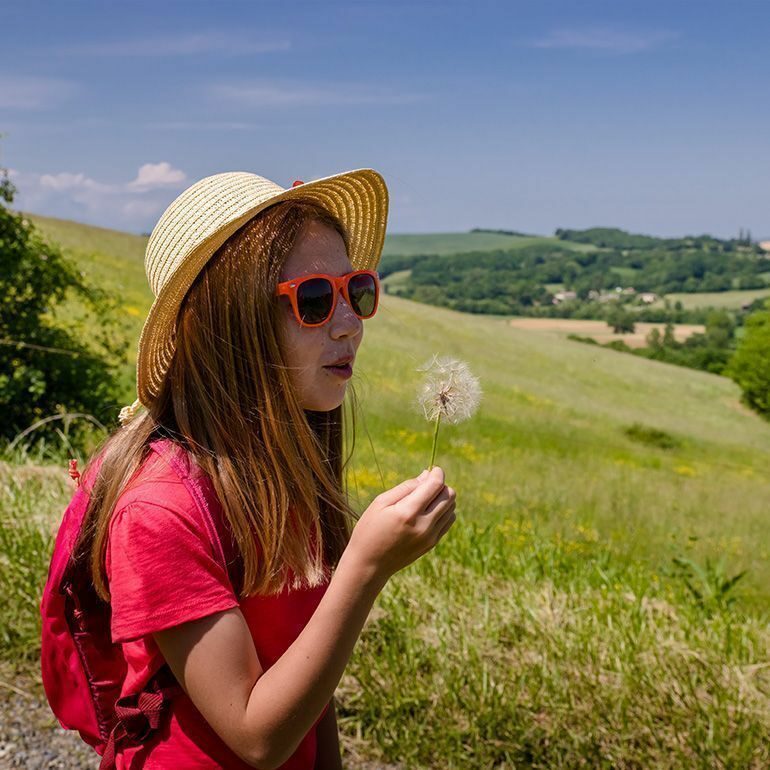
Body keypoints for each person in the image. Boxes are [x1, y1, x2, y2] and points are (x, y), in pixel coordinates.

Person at [71, 169, 457, 769]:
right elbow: (256, 736)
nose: (351, 321)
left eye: (356, 289)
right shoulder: (158, 510)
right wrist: (365, 567)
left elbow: (307, 676)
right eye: (312, 299)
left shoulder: (281, 470)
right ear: (230, 325)